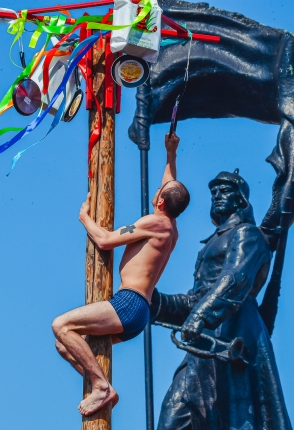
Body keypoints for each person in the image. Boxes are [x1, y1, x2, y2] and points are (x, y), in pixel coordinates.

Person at [52, 133, 190, 417]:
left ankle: (101, 386)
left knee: (61, 325)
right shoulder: (171, 227)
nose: (157, 190)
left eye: (159, 192)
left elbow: (105, 240)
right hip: (138, 311)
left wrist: (84, 217)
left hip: (128, 304)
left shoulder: (155, 223)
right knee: (65, 344)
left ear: (161, 203)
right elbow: (170, 187)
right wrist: (170, 153)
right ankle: (102, 385)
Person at [150, 169, 292, 430]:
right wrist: (154, 303)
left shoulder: (248, 234)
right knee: (174, 414)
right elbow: (197, 298)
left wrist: (200, 315)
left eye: (224, 190)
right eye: (213, 191)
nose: (216, 195)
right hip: (205, 342)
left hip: (234, 335)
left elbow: (234, 280)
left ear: (240, 199)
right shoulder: (212, 243)